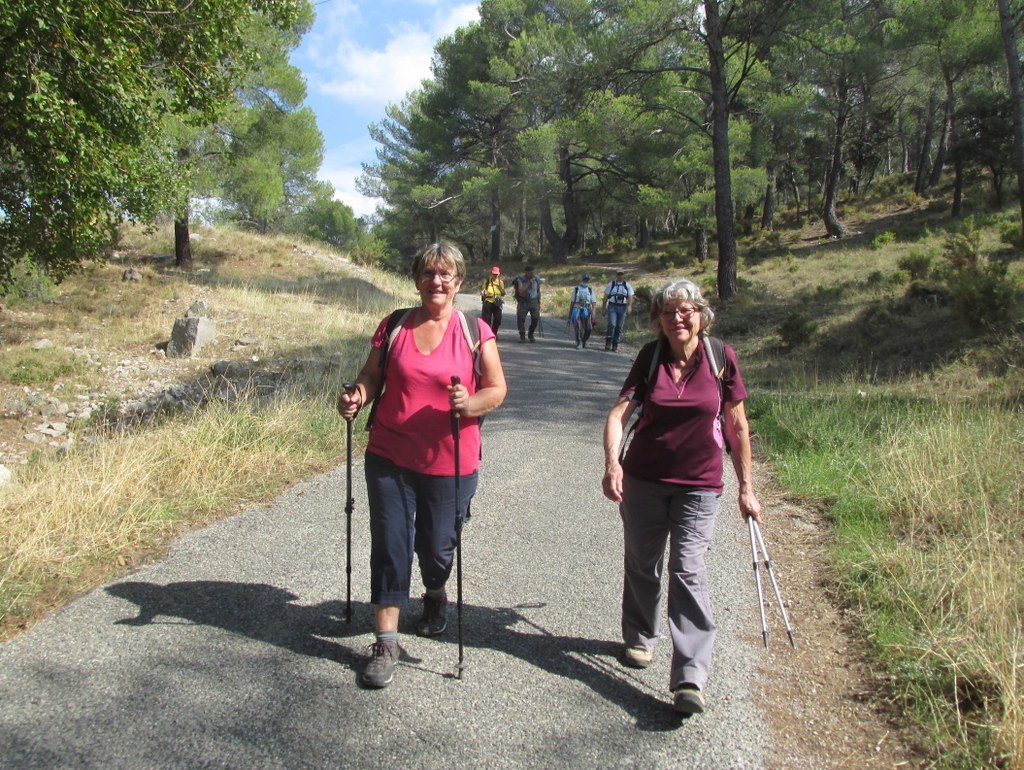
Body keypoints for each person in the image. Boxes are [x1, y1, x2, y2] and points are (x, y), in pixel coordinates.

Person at [337, 242, 507, 689]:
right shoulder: (394, 325)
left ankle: (434, 593)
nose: (437, 281)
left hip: (452, 459)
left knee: (436, 548)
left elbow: (497, 389)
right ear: (416, 279)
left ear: (459, 282)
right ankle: (386, 640)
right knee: (391, 542)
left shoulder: (475, 330)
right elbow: (372, 374)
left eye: (445, 274)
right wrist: (358, 394)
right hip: (390, 455)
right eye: (429, 273)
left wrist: (469, 403)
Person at [600, 278, 761, 715]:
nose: (678, 318)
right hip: (644, 480)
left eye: (685, 309)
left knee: (688, 568)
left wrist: (747, 487)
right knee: (641, 562)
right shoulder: (650, 357)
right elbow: (619, 414)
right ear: (658, 321)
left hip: (700, 485)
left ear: (701, 313)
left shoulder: (720, 357)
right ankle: (639, 637)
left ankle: (690, 673)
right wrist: (613, 463)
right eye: (668, 312)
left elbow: (738, 427)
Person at [602, 269, 634, 352]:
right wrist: (604, 307)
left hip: (623, 307)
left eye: (621, 274)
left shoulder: (627, 286)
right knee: (612, 324)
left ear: (623, 275)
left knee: (619, 326)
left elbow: (630, 296)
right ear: (616, 275)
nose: (620, 276)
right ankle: (608, 341)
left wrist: (629, 306)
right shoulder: (611, 284)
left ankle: (615, 343)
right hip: (612, 306)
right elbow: (605, 296)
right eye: (618, 274)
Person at [512, 265, 543, 342]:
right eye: (530, 272)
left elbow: (538, 291)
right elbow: (520, 291)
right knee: (520, 318)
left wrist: (539, 303)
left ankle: (531, 333)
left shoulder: (536, 279)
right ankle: (522, 335)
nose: (532, 274)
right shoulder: (520, 279)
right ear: (526, 272)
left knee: (535, 318)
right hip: (523, 301)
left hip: (534, 301)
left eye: (533, 272)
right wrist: (529, 283)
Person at [569, 273, 596, 349]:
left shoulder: (590, 290)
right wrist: (570, 312)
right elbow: (572, 301)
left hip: (587, 310)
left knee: (589, 328)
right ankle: (579, 341)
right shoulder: (576, 289)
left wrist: (593, 314)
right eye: (584, 279)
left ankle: (584, 340)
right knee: (579, 326)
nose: (585, 281)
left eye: (587, 280)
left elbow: (593, 303)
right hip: (577, 309)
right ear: (581, 279)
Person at [480, 266, 506, 334]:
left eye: (496, 274)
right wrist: (483, 292)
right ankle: (488, 334)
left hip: (497, 303)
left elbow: (503, 293)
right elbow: (483, 290)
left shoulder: (501, 282)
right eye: (494, 274)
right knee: (487, 320)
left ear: (499, 274)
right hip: (488, 302)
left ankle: (494, 333)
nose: (495, 276)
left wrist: (500, 289)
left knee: (497, 320)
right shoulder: (487, 281)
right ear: (492, 274)